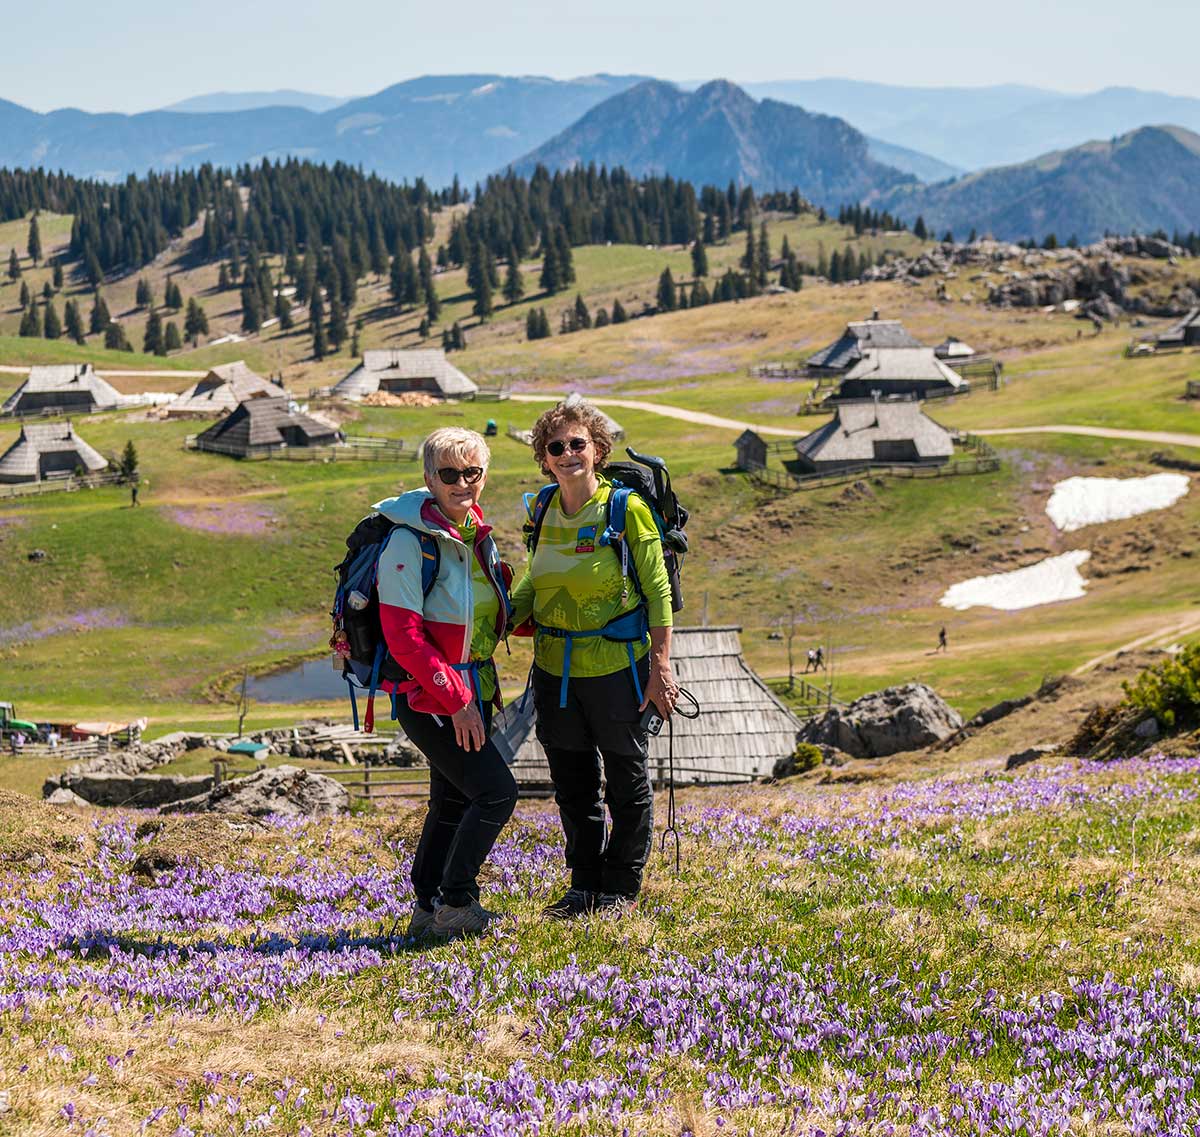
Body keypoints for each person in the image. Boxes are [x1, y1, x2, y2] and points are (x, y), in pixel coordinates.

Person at [511, 398, 677, 919]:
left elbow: (658, 592)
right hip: (554, 670)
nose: (566, 454)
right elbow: (533, 580)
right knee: (572, 784)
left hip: (617, 669)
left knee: (626, 779)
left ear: (598, 450)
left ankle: (621, 887)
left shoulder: (626, 510)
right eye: (555, 447)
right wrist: (499, 620)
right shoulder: (540, 510)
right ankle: (583, 885)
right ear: (543, 458)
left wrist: (661, 668)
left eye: (576, 444)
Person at [373, 427, 518, 938]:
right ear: (429, 477)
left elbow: (487, 609)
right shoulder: (407, 540)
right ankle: (456, 902)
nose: (463, 483)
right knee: (497, 792)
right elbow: (404, 636)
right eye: (450, 474)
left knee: (453, 799)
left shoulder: (475, 531)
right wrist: (457, 701)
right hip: (431, 693)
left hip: (471, 687)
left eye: (472, 472)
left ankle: (428, 907)